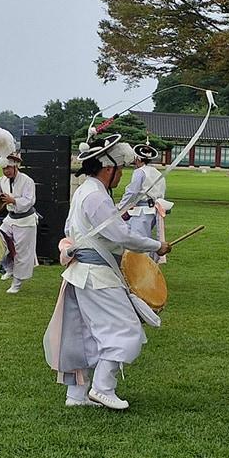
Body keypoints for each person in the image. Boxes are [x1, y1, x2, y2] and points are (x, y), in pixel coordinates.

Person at [43, 134, 170, 410]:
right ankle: (102, 387)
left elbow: (76, 230)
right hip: (96, 276)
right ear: (108, 167)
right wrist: (156, 245)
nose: (122, 174)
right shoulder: (96, 196)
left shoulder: (84, 192)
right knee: (126, 329)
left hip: (84, 274)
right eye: (120, 169)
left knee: (86, 332)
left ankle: (76, 396)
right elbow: (121, 236)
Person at [0, 152, 38, 294]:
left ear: (15, 167)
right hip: (10, 218)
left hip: (26, 220)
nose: (6, 171)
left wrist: (13, 200)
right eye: (4, 169)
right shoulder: (3, 180)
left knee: (20, 253)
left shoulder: (27, 181)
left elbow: (30, 200)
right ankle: (9, 268)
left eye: (8, 168)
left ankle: (17, 283)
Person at [120, 143, 171, 260]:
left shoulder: (140, 172)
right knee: (146, 239)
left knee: (138, 243)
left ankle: (139, 268)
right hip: (153, 211)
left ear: (138, 158)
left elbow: (132, 192)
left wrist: (120, 208)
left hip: (142, 211)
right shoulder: (158, 173)